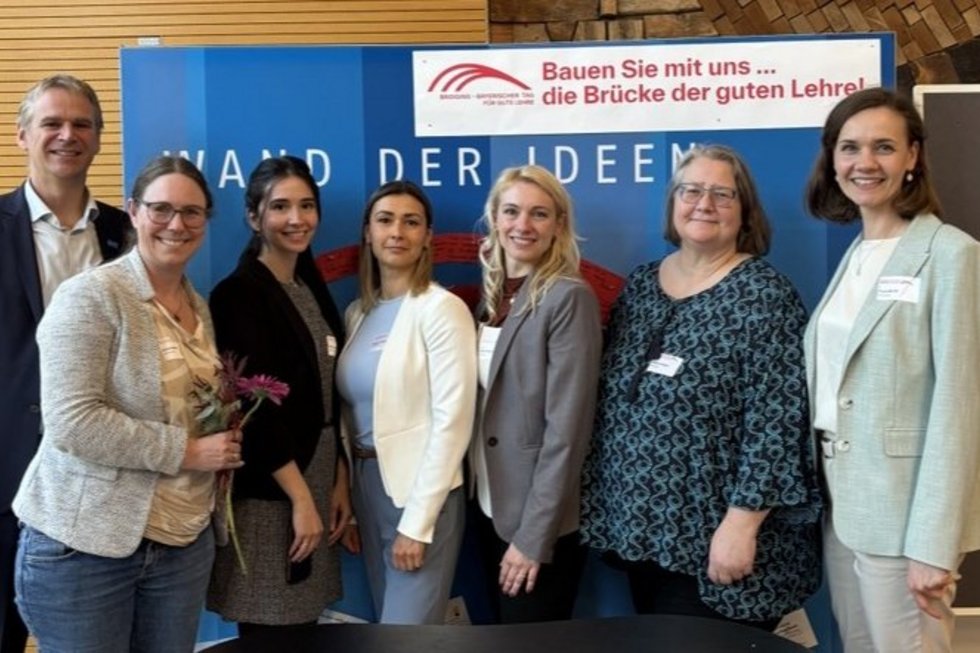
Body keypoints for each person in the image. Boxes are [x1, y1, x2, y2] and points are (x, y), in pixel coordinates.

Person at [581, 144, 822, 630]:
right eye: (691, 191)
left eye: (721, 194)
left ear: (745, 211)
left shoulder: (764, 296)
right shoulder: (643, 285)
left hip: (717, 540)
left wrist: (741, 524)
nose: (703, 204)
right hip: (642, 534)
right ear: (673, 203)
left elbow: (777, 425)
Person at [12, 155, 242, 652]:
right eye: (161, 209)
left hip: (181, 545)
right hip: (88, 546)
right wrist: (187, 451)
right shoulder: (89, 297)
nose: (176, 224)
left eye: (192, 212)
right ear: (134, 212)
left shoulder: (196, 305)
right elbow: (74, 423)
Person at [804, 87, 980, 653]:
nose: (865, 163)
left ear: (913, 158)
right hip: (842, 508)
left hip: (904, 518)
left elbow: (960, 403)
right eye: (850, 147)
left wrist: (935, 543)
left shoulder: (951, 253)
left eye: (884, 147)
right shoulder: (856, 255)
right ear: (832, 161)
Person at [0, 73, 131, 653]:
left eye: (81, 124)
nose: (66, 135)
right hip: (7, 473)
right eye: (51, 122)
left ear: (99, 139)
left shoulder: (126, 234)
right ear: (23, 134)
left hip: (97, 484)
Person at [207, 156, 352, 636]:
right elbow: (255, 410)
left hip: (318, 470)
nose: (296, 219)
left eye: (307, 205)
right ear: (254, 217)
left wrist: (337, 481)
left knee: (303, 623)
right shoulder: (239, 293)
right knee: (271, 622)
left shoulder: (307, 285)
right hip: (273, 489)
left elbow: (327, 396)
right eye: (281, 206)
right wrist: (300, 498)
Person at [336, 180, 477, 624]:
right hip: (368, 487)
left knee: (405, 637)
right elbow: (349, 413)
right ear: (367, 233)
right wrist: (354, 506)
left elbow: (453, 422)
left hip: (421, 493)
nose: (397, 231)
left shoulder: (441, 309)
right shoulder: (359, 312)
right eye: (385, 220)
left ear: (427, 237)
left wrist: (417, 524)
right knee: (387, 631)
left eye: (410, 222)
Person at [470, 165, 601, 622]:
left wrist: (532, 538)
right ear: (494, 218)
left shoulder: (568, 297)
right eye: (511, 211)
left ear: (559, 225)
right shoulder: (491, 298)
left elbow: (567, 431)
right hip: (488, 507)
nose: (522, 225)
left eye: (539, 214)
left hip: (534, 522)